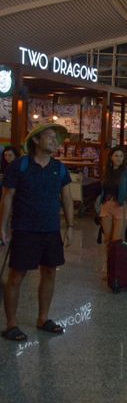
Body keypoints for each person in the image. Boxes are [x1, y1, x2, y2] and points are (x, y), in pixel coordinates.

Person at [1, 124, 75, 341]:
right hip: (25, 229)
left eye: (56, 138)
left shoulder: (59, 168)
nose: (55, 142)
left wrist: (69, 226)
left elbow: (67, 199)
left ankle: (43, 318)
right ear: (36, 140)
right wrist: (2, 227)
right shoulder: (20, 166)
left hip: (51, 229)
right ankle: (11, 324)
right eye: (50, 137)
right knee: (16, 276)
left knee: (50, 272)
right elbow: (7, 197)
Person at [99, 145, 127, 253]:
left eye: (121, 156)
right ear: (111, 157)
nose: (119, 158)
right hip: (107, 206)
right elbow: (103, 189)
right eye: (116, 156)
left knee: (116, 240)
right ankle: (107, 263)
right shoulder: (107, 171)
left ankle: (115, 265)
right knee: (107, 239)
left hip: (121, 206)